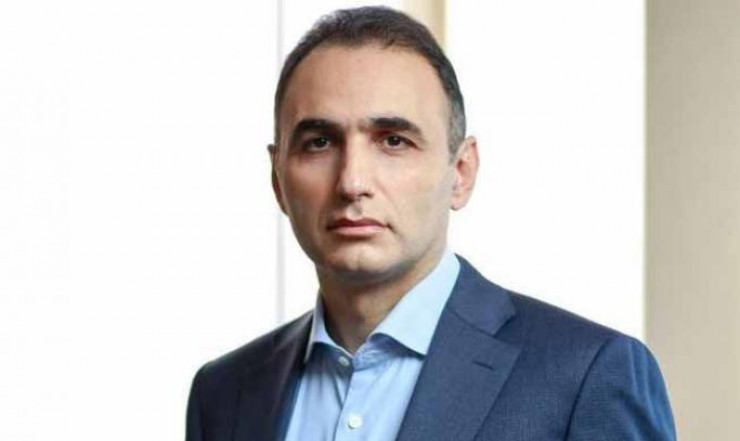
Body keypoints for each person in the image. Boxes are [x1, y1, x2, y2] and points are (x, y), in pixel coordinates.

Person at [185, 6, 676, 441]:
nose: (353, 182)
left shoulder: (587, 376)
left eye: (393, 141)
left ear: (461, 172)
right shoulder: (224, 393)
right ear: (278, 179)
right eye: (320, 142)